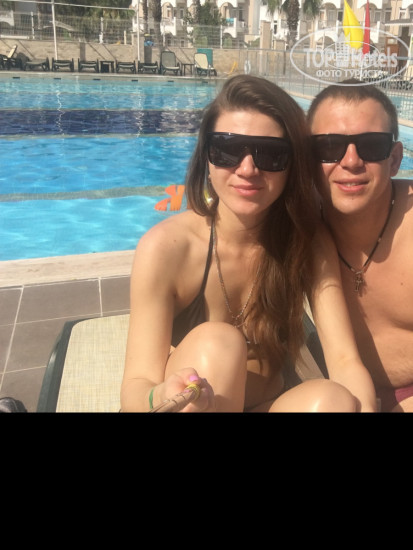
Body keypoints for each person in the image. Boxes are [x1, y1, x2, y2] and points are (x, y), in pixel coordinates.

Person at [121, 74, 376, 412]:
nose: (247, 168)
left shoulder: (305, 242)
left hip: (269, 403)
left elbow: (344, 360)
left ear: (293, 165)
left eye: (271, 154)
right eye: (227, 149)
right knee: (217, 344)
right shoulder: (167, 249)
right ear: (207, 156)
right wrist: (162, 393)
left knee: (334, 401)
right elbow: (137, 386)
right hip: (192, 407)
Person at [307, 79, 413, 412]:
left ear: (394, 160)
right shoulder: (304, 231)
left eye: (371, 145)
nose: (351, 161)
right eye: (329, 147)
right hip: (346, 389)